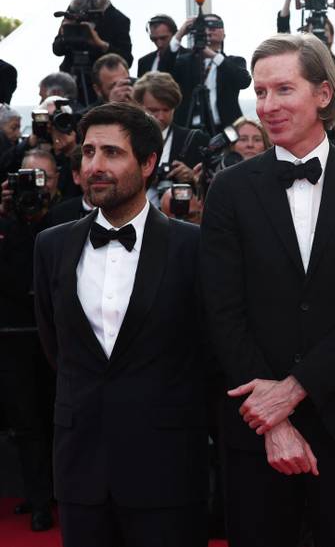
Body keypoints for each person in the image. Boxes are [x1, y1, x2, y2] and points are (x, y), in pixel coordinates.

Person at [200, 33, 335, 547]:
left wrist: (292, 390)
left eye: (283, 89)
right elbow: (221, 312)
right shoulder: (228, 190)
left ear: (323, 94)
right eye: (260, 92)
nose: (267, 105)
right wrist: (273, 421)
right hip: (254, 430)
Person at [33, 102, 207, 547]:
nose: (95, 165)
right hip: (80, 466)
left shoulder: (193, 247)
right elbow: (56, 345)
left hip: (166, 467)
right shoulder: (51, 245)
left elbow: (208, 349)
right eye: (89, 152)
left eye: (112, 153)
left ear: (147, 163)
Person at [0, 149, 62, 533]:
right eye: (27, 178)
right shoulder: (5, 223)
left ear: (56, 181)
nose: (35, 186)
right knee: (25, 420)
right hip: (13, 337)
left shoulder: (66, 220)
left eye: (43, 178)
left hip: (58, 337)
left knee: (59, 416)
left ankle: (58, 491)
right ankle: (38, 498)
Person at [277, 0, 335, 141]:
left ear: (332, 36)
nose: (320, 33)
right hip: (305, 128)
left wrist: (326, 99)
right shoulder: (298, 63)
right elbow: (282, 37)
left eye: (325, 30)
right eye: (314, 29)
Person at [51, 0, 132, 107]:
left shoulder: (118, 19)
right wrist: (63, 34)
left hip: (100, 84)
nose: (85, 16)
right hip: (71, 79)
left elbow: (126, 59)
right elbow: (57, 50)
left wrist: (101, 44)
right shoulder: (73, 11)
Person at [133, 71, 209, 204]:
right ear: (139, 106)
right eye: (153, 110)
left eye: (166, 110)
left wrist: (192, 177)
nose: (161, 117)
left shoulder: (194, 140)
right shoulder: (126, 139)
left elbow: (210, 191)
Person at [170, 13, 252, 132]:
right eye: (205, 25)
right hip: (189, 129)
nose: (210, 29)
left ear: (224, 34)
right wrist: (180, 34)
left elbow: (244, 81)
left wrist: (214, 56)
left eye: (216, 25)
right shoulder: (185, 62)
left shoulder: (234, 61)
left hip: (225, 130)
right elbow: (165, 69)